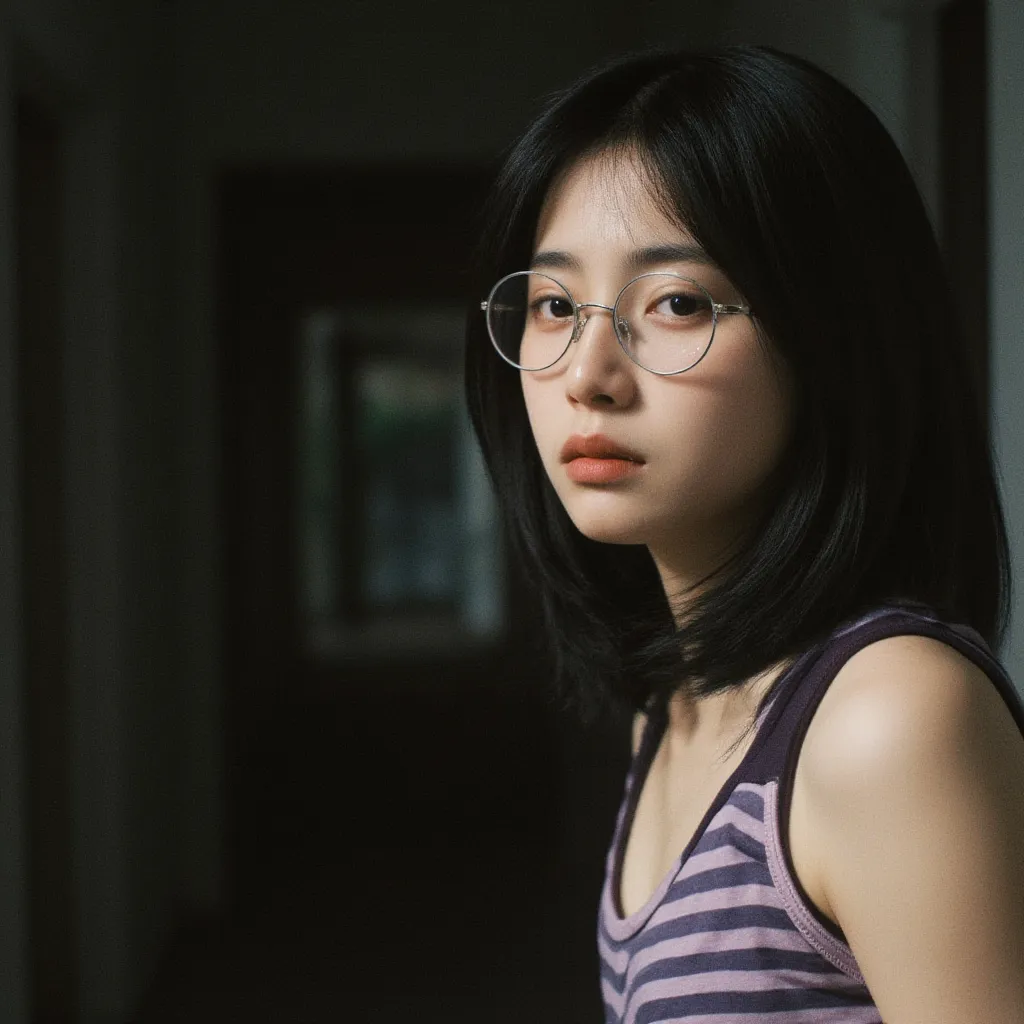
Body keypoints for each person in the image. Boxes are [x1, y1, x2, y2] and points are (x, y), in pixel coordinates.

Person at [463, 45, 1024, 1023]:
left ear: (832, 336)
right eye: (554, 304)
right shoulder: (677, 701)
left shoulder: (887, 719)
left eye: (675, 301)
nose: (587, 372)